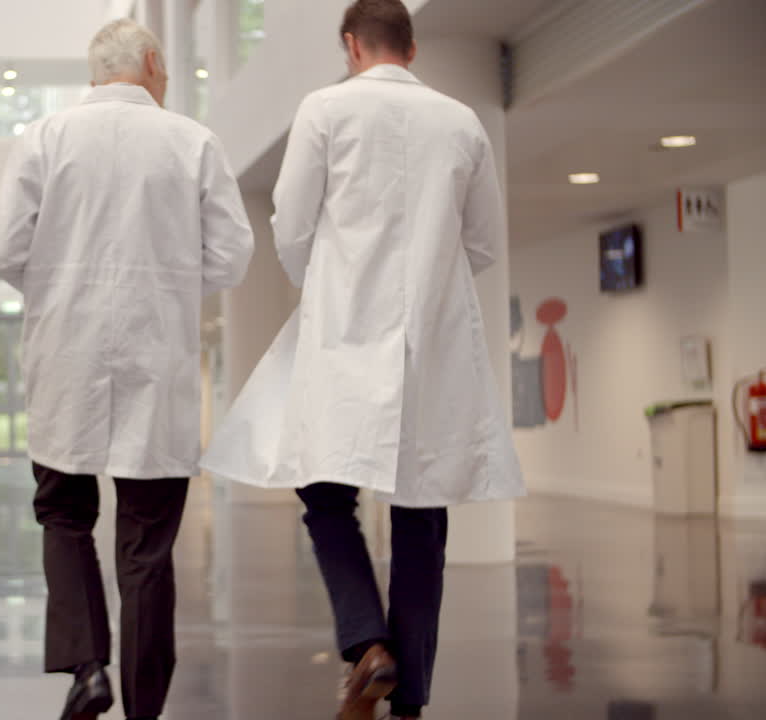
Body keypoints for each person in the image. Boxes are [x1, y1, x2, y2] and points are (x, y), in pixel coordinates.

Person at [201, 1, 525, 719]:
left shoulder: (324, 110)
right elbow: (484, 241)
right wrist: (431, 279)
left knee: (323, 495)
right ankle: (408, 695)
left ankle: (366, 643)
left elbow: (291, 221)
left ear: (351, 45)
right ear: (410, 47)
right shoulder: (462, 121)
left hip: (345, 331)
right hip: (433, 339)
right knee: (421, 516)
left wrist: (330, 275)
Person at [0, 18, 254, 720]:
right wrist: (167, 284)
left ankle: (87, 667)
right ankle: (144, 706)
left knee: (64, 513)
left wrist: (56, 289)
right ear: (154, 63)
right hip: (155, 359)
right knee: (147, 543)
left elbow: (4, 246)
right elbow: (231, 256)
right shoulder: (191, 141)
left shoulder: (45, 136)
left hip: (65, 354)